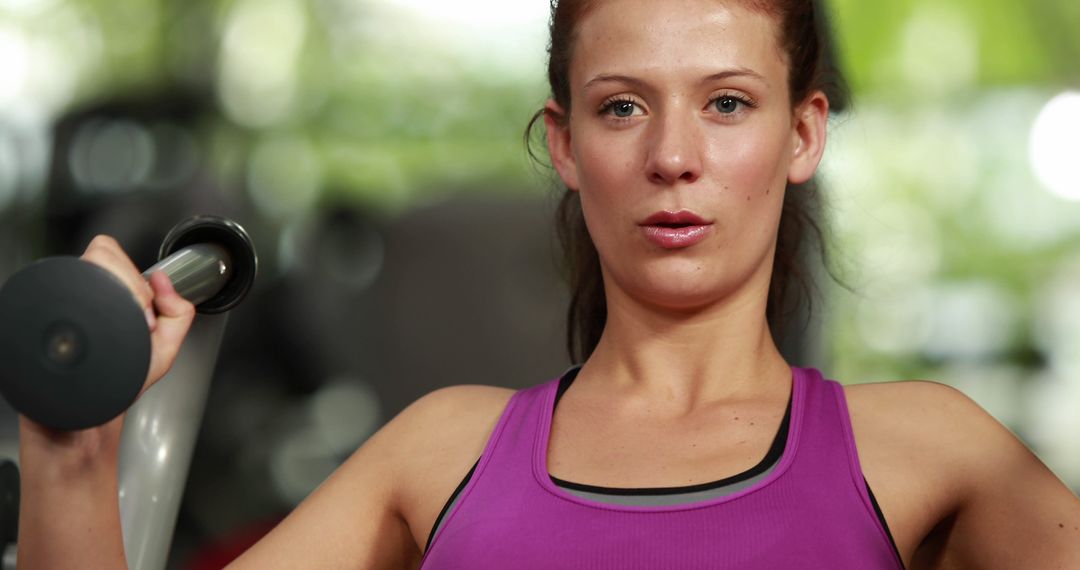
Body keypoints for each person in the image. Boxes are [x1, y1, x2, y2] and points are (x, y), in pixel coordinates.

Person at [16, 0, 1080, 568]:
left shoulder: (933, 454)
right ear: (564, 145)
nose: (673, 157)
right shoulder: (440, 455)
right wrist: (70, 447)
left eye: (726, 104)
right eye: (623, 107)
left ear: (802, 134)